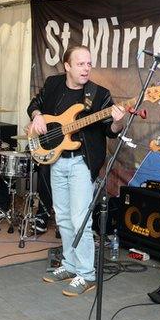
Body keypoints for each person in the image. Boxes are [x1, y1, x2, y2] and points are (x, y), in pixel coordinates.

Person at [27, 45, 126, 296]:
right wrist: (37, 115)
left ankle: (87, 273)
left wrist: (117, 121)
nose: (86, 69)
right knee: (61, 216)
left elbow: (109, 131)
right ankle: (70, 265)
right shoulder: (53, 84)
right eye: (80, 64)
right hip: (57, 158)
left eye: (89, 64)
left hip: (82, 161)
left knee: (80, 217)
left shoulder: (99, 94)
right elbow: (34, 104)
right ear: (67, 66)